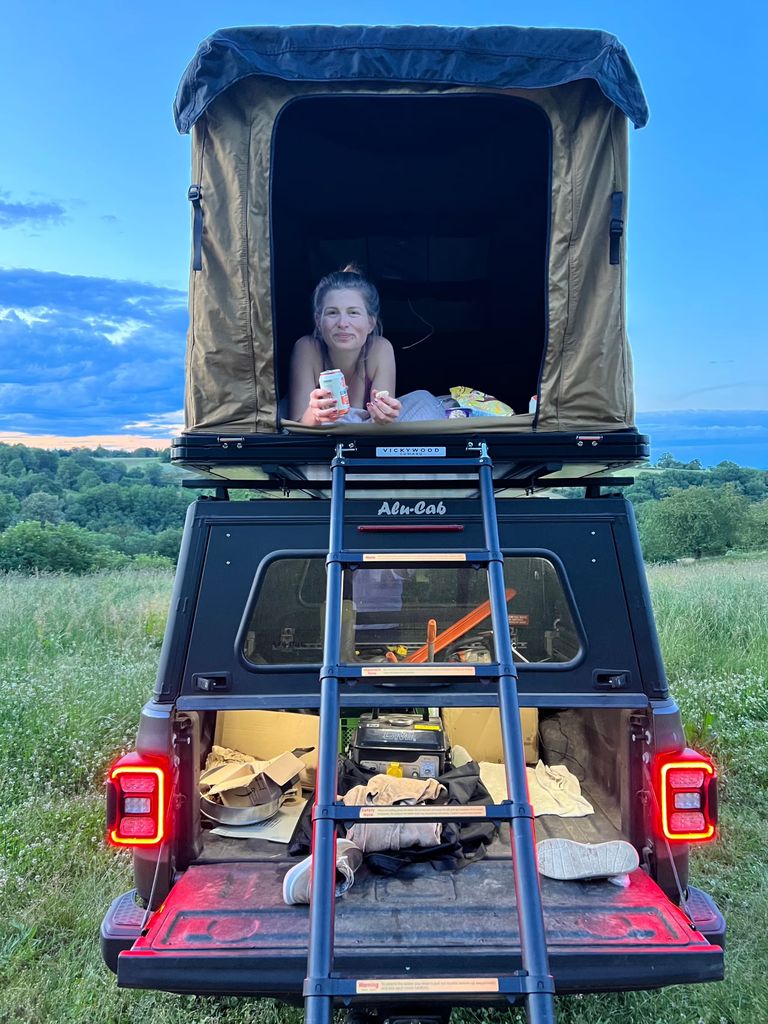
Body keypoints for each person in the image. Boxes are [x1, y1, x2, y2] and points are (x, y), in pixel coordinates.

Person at [289, 265, 402, 426]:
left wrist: (384, 417)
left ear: (371, 323)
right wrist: (314, 415)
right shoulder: (307, 349)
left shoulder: (380, 349)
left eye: (353, 312)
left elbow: (380, 424)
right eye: (332, 313)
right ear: (318, 322)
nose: (343, 323)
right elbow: (297, 426)